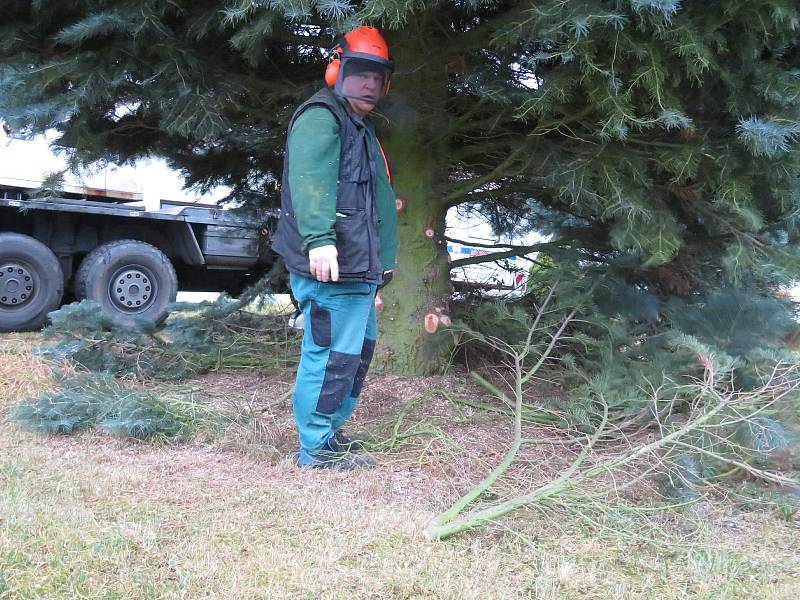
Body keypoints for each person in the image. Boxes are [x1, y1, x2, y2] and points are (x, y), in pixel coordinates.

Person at [272, 26, 399, 470]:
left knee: (352, 357)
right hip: (332, 268)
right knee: (330, 358)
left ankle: (328, 431)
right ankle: (315, 449)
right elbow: (310, 182)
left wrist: (377, 277)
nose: (368, 83)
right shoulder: (321, 117)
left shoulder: (359, 129)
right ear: (337, 69)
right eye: (360, 71)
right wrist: (320, 242)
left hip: (357, 273)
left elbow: (370, 204)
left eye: (377, 76)